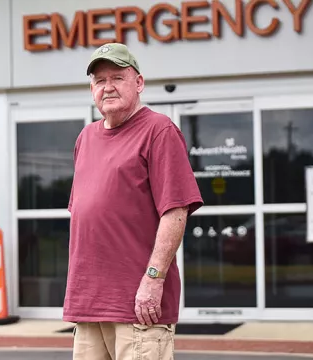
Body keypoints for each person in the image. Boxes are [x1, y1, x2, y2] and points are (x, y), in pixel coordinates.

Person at [64, 42, 203, 360]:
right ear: (92, 89)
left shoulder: (159, 131)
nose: (108, 87)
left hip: (140, 307)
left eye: (117, 77)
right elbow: (87, 216)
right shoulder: (85, 138)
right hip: (89, 306)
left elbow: (176, 211)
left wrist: (153, 280)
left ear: (138, 83)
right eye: (100, 81)